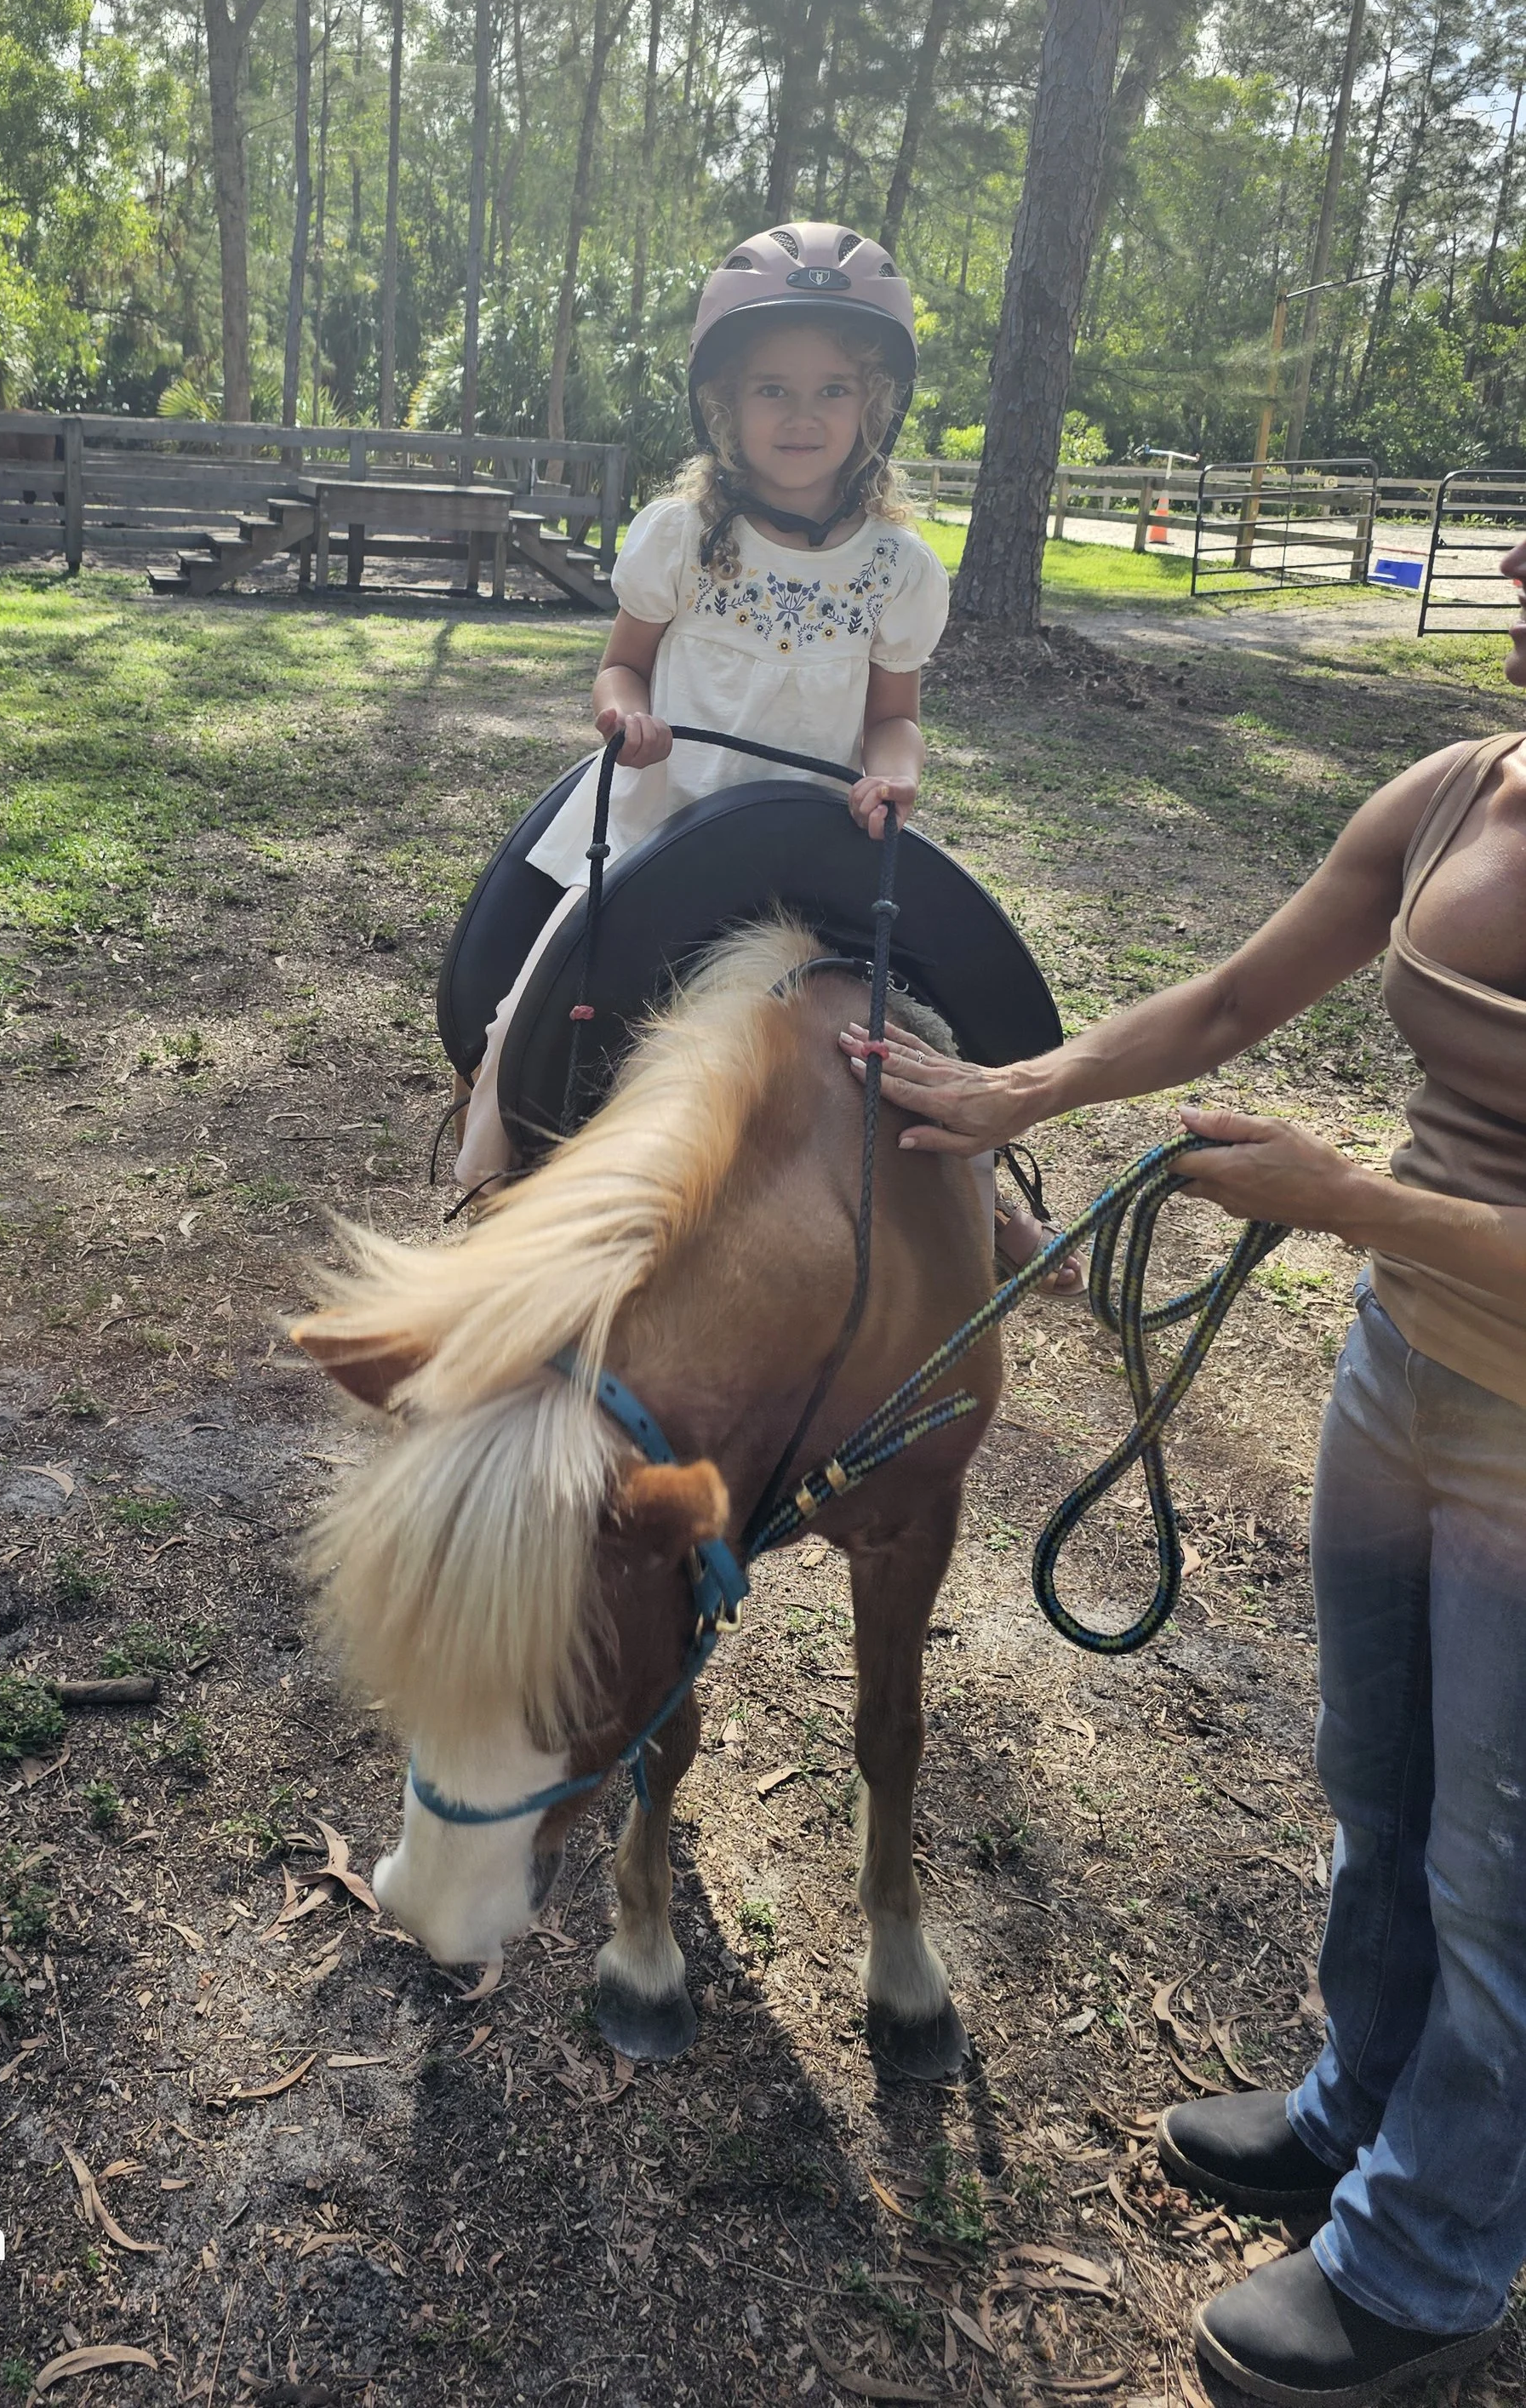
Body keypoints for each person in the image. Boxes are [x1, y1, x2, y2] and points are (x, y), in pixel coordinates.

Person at [837, 527, 1526, 2407]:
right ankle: (1350, 2112)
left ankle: (1422, 2262)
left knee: (1502, 1864)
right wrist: (1017, 1093)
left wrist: (1339, 1198)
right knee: (1376, 1786)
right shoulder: (1458, 787)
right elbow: (1226, 1000)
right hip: (1404, 1372)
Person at [455, 220, 967, 1196]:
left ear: (876, 406)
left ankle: (981, 1204)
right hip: (663, 822)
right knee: (532, 998)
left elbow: (893, 718)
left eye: (832, 390)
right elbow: (621, 669)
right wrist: (625, 718)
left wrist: (893, 774)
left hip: (811, 839)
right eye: (771, 387)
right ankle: (483, 1176)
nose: (801, 414)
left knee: (923, 1021)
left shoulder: (898, 570)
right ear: (724, 404)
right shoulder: (680, 536)